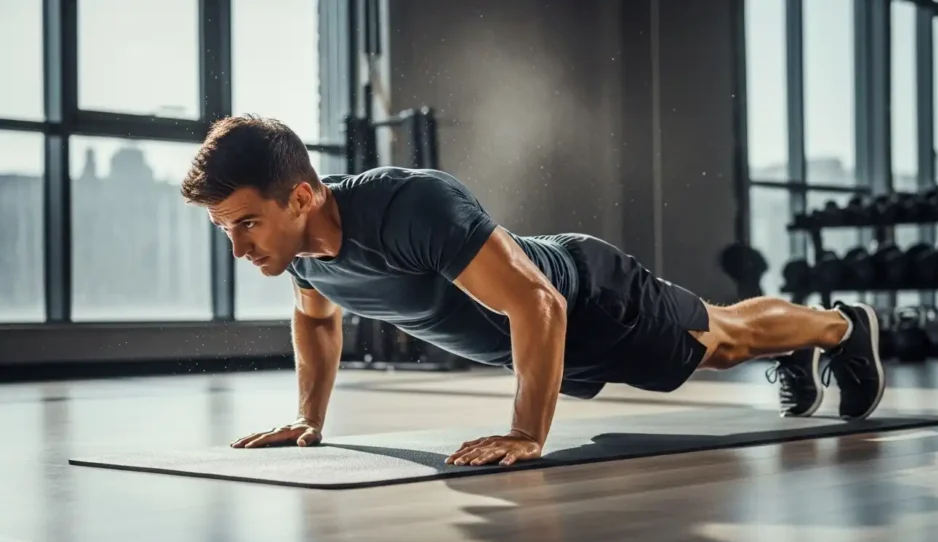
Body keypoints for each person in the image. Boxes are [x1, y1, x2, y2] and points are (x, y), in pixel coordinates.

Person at [180, 115, 886, 468]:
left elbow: (537, 302)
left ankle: (840, 327)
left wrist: (526, 434)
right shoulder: (301, 256)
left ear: (300, 195)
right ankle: (805, 343)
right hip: (546, 340)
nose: (240, 247)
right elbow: (317, 322)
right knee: (722, 334)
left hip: (589, 297)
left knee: (724, 342)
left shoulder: (410, 208)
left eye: (246, 223)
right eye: (226, 230)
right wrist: (309, 419)